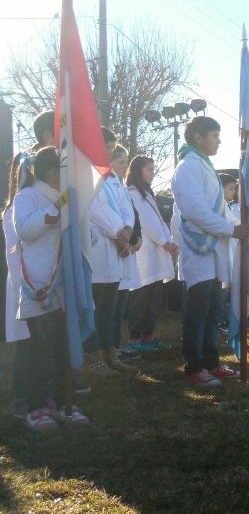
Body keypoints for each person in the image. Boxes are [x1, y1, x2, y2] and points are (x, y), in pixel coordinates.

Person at [14, 146, 90, 429]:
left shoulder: (69, 198)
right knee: (38, 351)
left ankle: (63, 401)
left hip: (64, 286)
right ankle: (35, 407)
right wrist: (54, 213)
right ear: (50, 173)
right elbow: (24, 229)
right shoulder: (27, 196)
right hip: (38, 285)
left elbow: (86, 236)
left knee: (63, 349)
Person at [172, 116, 249, 386]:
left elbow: (218, 210)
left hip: (214, 249)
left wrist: (239, 227)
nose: (219, 140)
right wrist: (231, 231)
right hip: (198, 249)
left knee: (214, 310)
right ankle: (194, 366)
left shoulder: (205, 165)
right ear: (198, 138)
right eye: (214, 135)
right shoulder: (187, 168)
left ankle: (211, 361)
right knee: (198, 310)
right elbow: (195, 211)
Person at [83, 128, 132, 379]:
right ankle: (93, 360)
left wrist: (127, 229)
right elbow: (93, 209)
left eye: (113, 147)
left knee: (108, 308)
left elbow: (124, 207)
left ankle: (109, 355)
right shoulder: (84, 173)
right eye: (108, 147)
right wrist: (118, 233)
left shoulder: (111, 178)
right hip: (97, 246)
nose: (111, 151)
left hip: (114, 246)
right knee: (94, 306)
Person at [126, 155, 177, 351]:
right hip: (144, 254)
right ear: (138, 171)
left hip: (156, 252)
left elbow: (159, 221)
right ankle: (134, 338)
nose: (153, 173)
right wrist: (164, 241)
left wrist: (169, 240)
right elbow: (145, 222)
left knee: (154, 296)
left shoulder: (147, 193)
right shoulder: (132, 193)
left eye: (153, 169)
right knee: (141, 296)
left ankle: (149, 335)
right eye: (149, 169)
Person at [3, 153, 33, 418]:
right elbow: (13, 256)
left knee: (41, 344)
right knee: (26, 346)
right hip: (25, 287)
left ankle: (42, 393)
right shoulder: (13, 211)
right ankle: (22, 398)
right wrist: (25, 288)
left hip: (42, 285)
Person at [107, 144, 140, 372]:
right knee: (110, 307)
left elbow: (130, 214)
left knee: (119, 307)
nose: (124, 165)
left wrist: (131, 236)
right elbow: (109, 215)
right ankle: (109, 352)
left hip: (124, 245)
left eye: (126, 160)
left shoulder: (121, 186)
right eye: (120, 161)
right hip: (113, 245)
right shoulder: (104, 184)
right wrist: (122, 238)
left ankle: (116, 348)